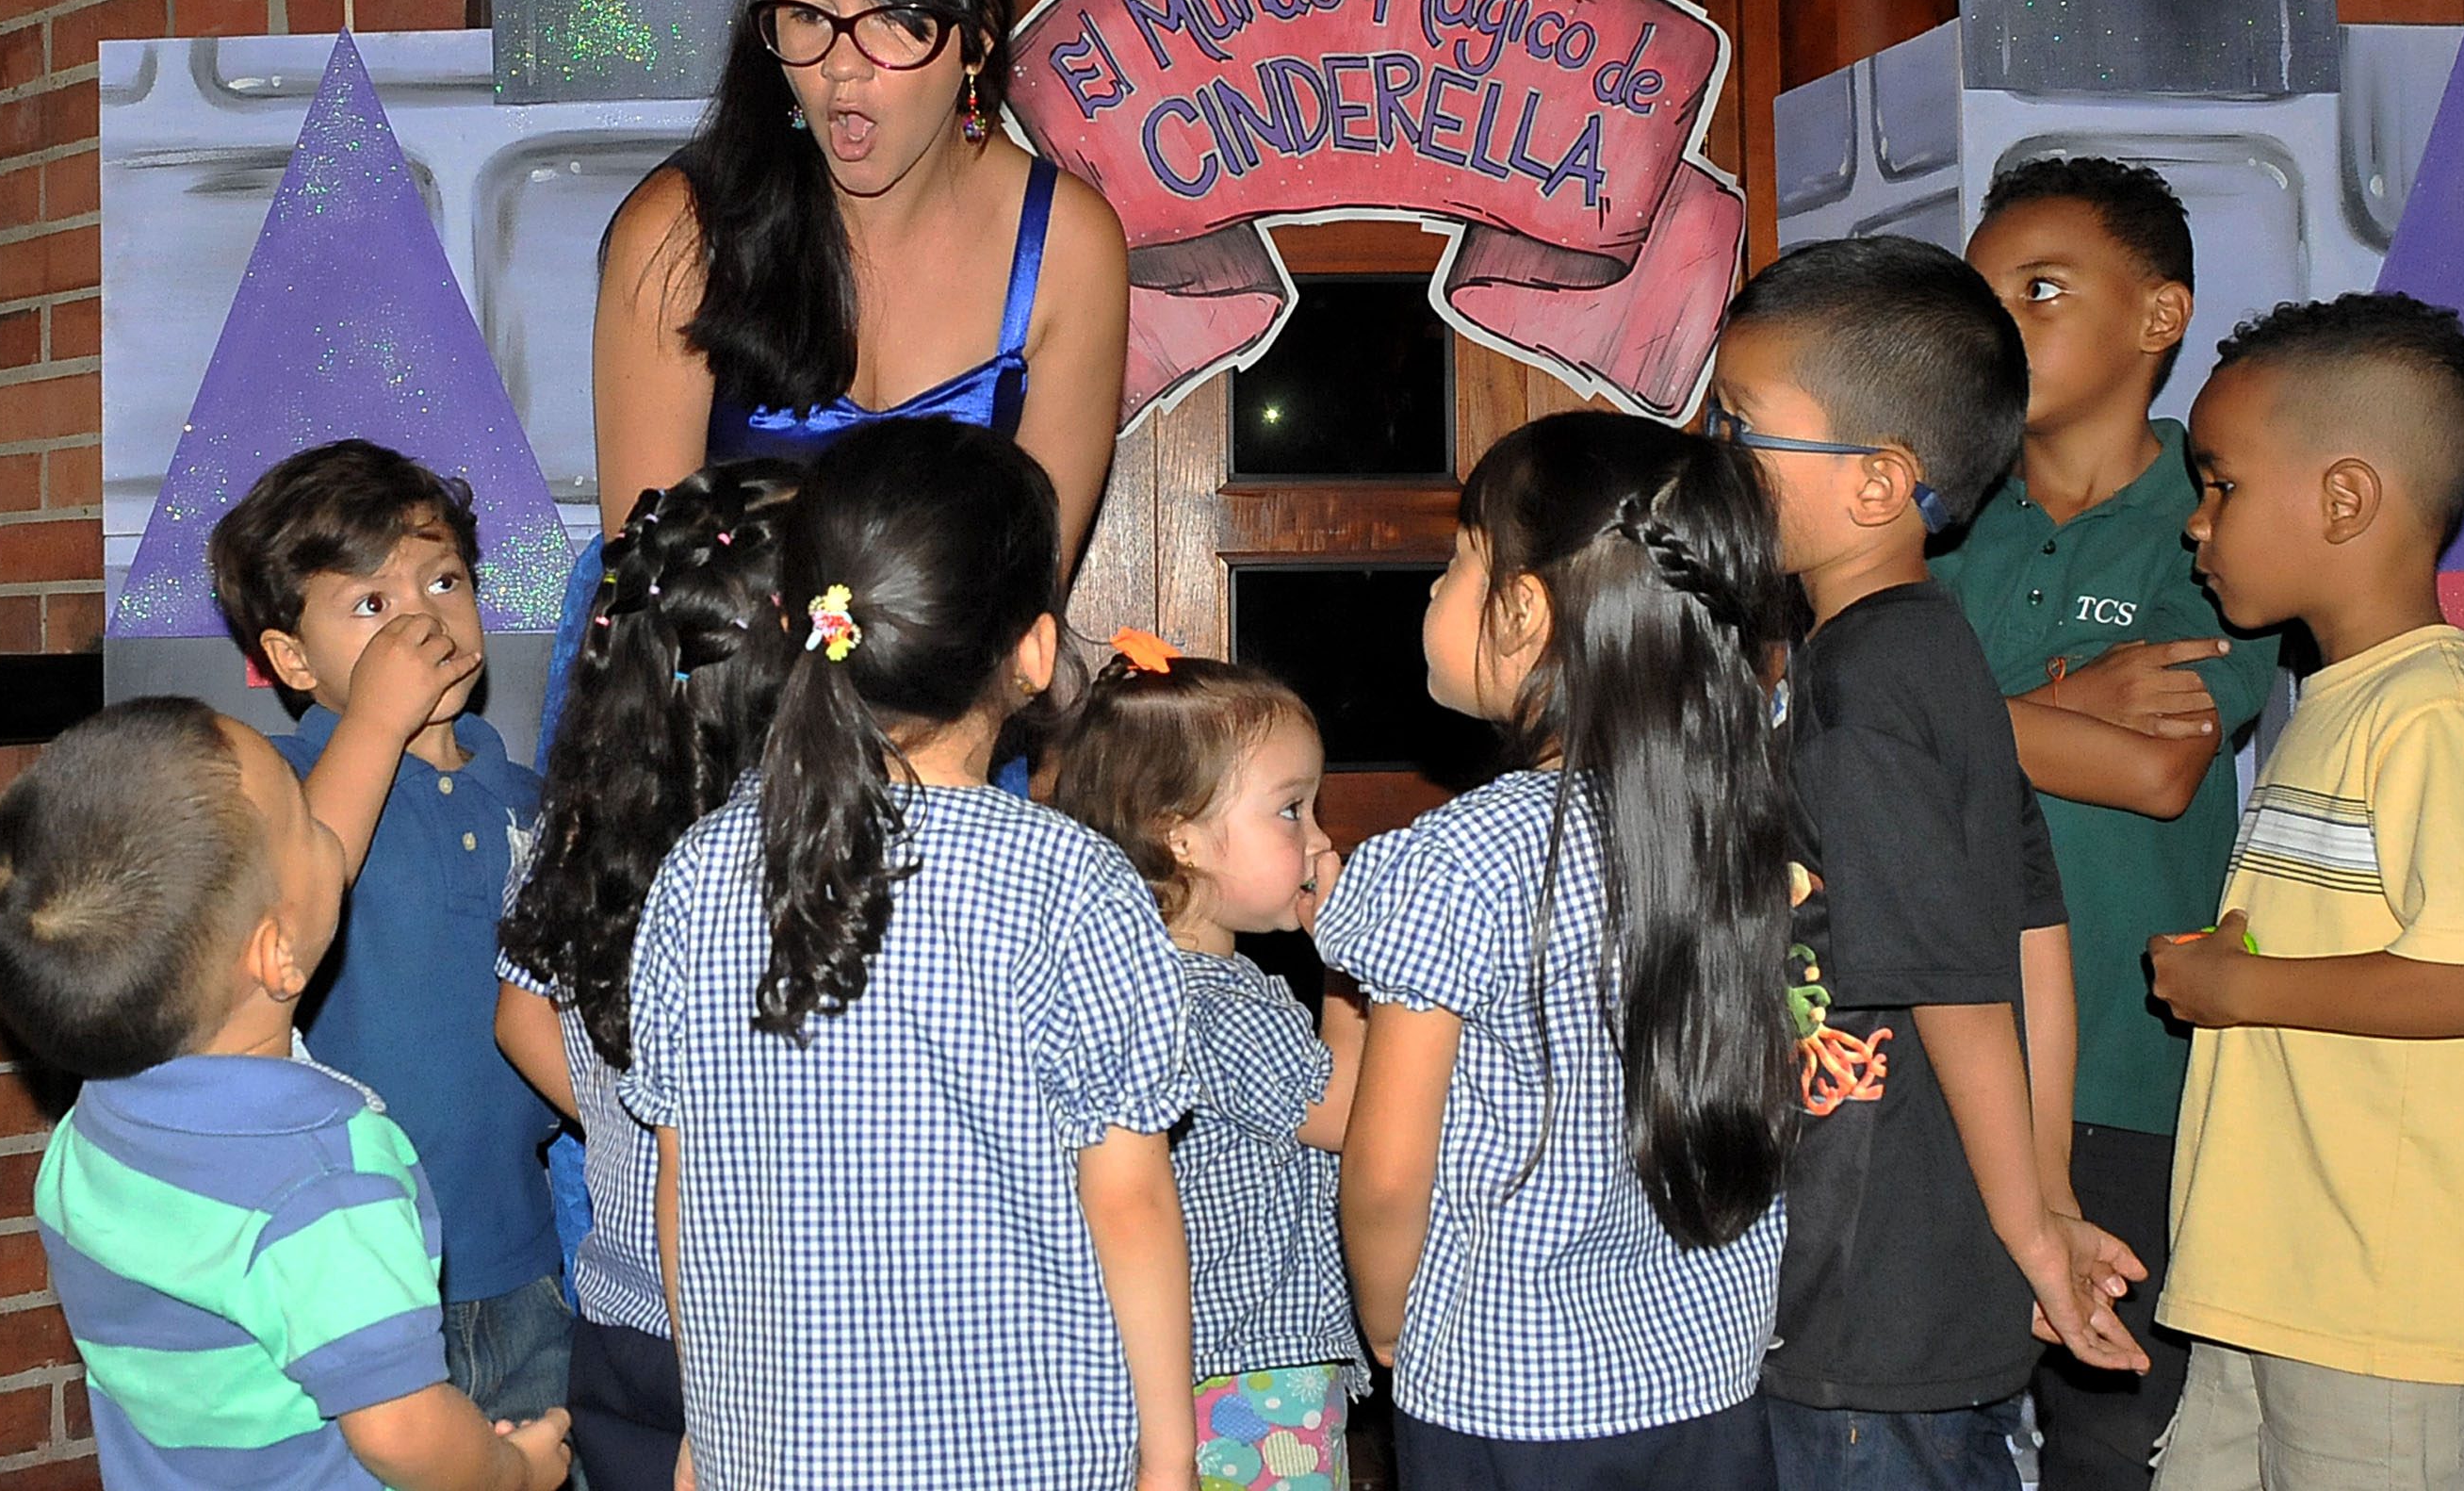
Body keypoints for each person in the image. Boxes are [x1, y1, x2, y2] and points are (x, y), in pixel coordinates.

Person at [619, 417, 1195, 1491]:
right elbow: (1129, 1199)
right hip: (1021, 1456)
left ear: (802, 624)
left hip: (776, 1452)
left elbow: (684, 1186)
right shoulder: (1070, 883)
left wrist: (706, 1420)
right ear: (1033, 653)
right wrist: (1170, 1455)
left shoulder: (699, 875)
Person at [1706, 237, 2146, 1491]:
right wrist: (2044, 1201)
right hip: (1930, 1274)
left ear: (1878, 483)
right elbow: (2036, 933)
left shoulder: (1862, 682)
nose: (1716, 457)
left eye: (1741, 428)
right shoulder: (1932, 651)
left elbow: (1953, 978)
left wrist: (2032, 1234)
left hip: (1870, 1298)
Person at [1315, 411, 1796, 1489]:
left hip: (1505, 1390)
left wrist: (1388, 1318)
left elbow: (1387, 1169)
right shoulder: (1734, 835)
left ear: (1523, 611)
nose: (1434, 591)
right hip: (1707, 1381)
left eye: (1457, 562)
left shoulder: (1458, 858)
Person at [2146, 294, 2464, 1491]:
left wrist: (2240, 987)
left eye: (2221, 484)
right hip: (2276, 1275)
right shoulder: (2340, 703)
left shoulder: (2432, 713)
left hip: (2380, 1300)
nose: (2196, 520)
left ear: (2343, 499)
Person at [0, 696, 574, 1491]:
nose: (334, 830)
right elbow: (400, 1431)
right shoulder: (324, 1174)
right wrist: (512, 1471)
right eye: (306, 817)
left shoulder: (95, 1130)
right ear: (275, 952)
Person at [1946, 157, 2282, 1488]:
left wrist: (1940, 714)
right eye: (1981, 298)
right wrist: (2061, 703)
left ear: (2159, 316)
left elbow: (2155, 773)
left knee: (2117, 1426)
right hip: (1941, 1051)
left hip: (2131, 1069)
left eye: (2039, 291)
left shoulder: (2209, 520)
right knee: (1937, 1408)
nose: (1998, 326)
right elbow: (1845, 738)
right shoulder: (1940, 521)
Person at [588, 0, 1127, 568]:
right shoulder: (680, 232)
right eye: (809, 16)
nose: (842, 65)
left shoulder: (1066, 248)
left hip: (965, 651)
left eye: (895, 19)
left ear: (977, 39)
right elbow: (649, 590)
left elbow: (1030, 597)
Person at [209, 441, 568, 1424]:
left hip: (516, 1256)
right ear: (291, 659)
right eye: (370, 603)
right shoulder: (278, 786)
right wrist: (374, 721)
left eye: (443, 581)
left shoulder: (529, 799)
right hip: (345, 1273)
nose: (422, 620)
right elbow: (295, 905)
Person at [494, 461, 798, 1491]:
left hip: (623, 1318)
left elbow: (518, 1015)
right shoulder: (790, 859)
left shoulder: (578, 828)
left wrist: (628, 1118)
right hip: (773, 1332)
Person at [1057, 643, 1368, 1489]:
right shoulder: (1219, 1004)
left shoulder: (1151, 984)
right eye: (1291, 810)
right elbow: (1351, 1116)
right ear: (1181, 837)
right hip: (1253, 1378)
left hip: (1200, 1373)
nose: (1320, 838)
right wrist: (1350, 965)